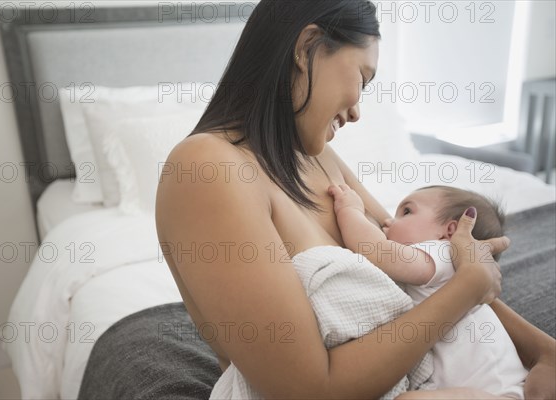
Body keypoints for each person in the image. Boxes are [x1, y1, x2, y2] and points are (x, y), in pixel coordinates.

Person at [155, 0, 556, 398]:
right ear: (307, 46)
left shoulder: (318, 158)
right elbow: (310, 389)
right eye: (362, 79)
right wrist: (468, 288)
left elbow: (424, 264)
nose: (357, 111)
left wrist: (544, 352)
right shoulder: (207, 168)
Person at [328, 184, 528, 398]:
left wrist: (350, 210)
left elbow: (378, 251)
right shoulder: (446, 265)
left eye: (406, 212)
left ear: (449, 232)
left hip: (497, 390)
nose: (387, 222)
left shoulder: (446, 253)